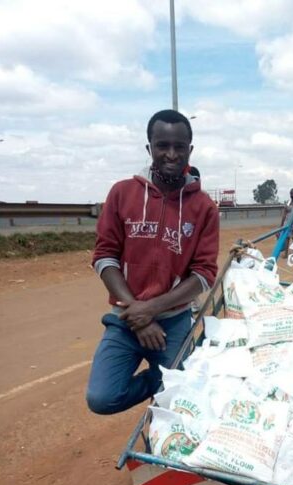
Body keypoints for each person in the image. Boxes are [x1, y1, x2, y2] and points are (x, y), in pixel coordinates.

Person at [86, 109, 219, 415]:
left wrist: (153, 309)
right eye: (162, 145)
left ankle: (165, 383)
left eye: (179, 147)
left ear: (190, 150)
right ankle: (158, 380)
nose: (171, 154)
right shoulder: (122, 193)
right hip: (126, 319)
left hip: (173, 322)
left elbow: (204, 274)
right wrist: (139, 313)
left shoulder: (204, 207)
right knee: (101, 398)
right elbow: (105, 256)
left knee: (182, 400)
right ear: (150, 148)